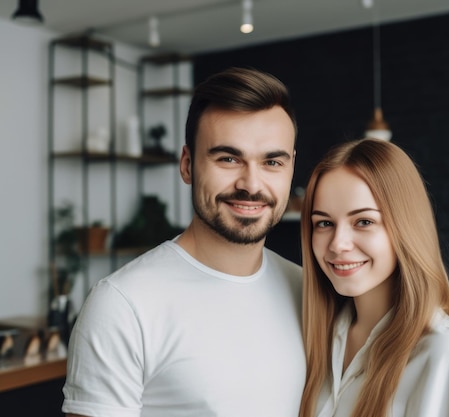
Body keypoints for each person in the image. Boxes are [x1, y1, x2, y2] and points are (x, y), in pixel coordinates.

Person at [62, 67, 306, 417]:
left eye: (271, 161)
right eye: (228, 158)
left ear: (290, 167)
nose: (251, 184)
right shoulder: (122, 305)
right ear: (188, 164)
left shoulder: (308, 291)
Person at [298, 138, 449, 417]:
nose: (338, 244)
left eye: (364, 221)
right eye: (324, 223)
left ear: (405, 227)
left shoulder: (443, 352)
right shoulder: (318, 336)